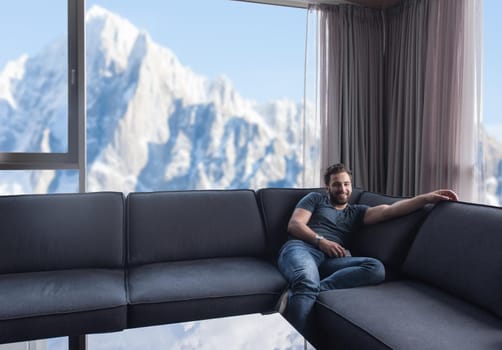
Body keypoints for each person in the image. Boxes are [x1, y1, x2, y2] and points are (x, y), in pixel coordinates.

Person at [277, 163, 458, 336]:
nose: (343, 189)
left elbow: (391, 210)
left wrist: (427, 198)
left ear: (351, 186)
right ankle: (305, 304)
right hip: (301, 248)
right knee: (307, 280)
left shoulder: (357, 212)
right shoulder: (315, 199)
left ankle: (302, 294)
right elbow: (295, 225)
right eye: (337, 184)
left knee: (376, 268)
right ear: (327, 188)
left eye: (346, 184)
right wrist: (321, 241)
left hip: (331, 261)